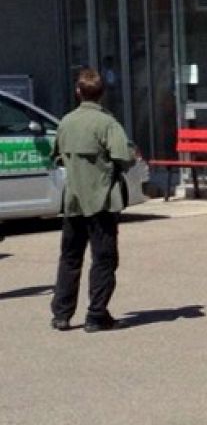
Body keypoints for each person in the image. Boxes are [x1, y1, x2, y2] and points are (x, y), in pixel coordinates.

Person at [50, 68, 135, 332]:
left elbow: (56, 155)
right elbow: (124, 156)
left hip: (74, 200)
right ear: (102, 93)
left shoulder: (65, 122)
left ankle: (62, 315)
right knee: (104, 258)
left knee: (70, 257)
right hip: (102, 201)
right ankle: (96, 315)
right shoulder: (107, 123)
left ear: (78, 92)